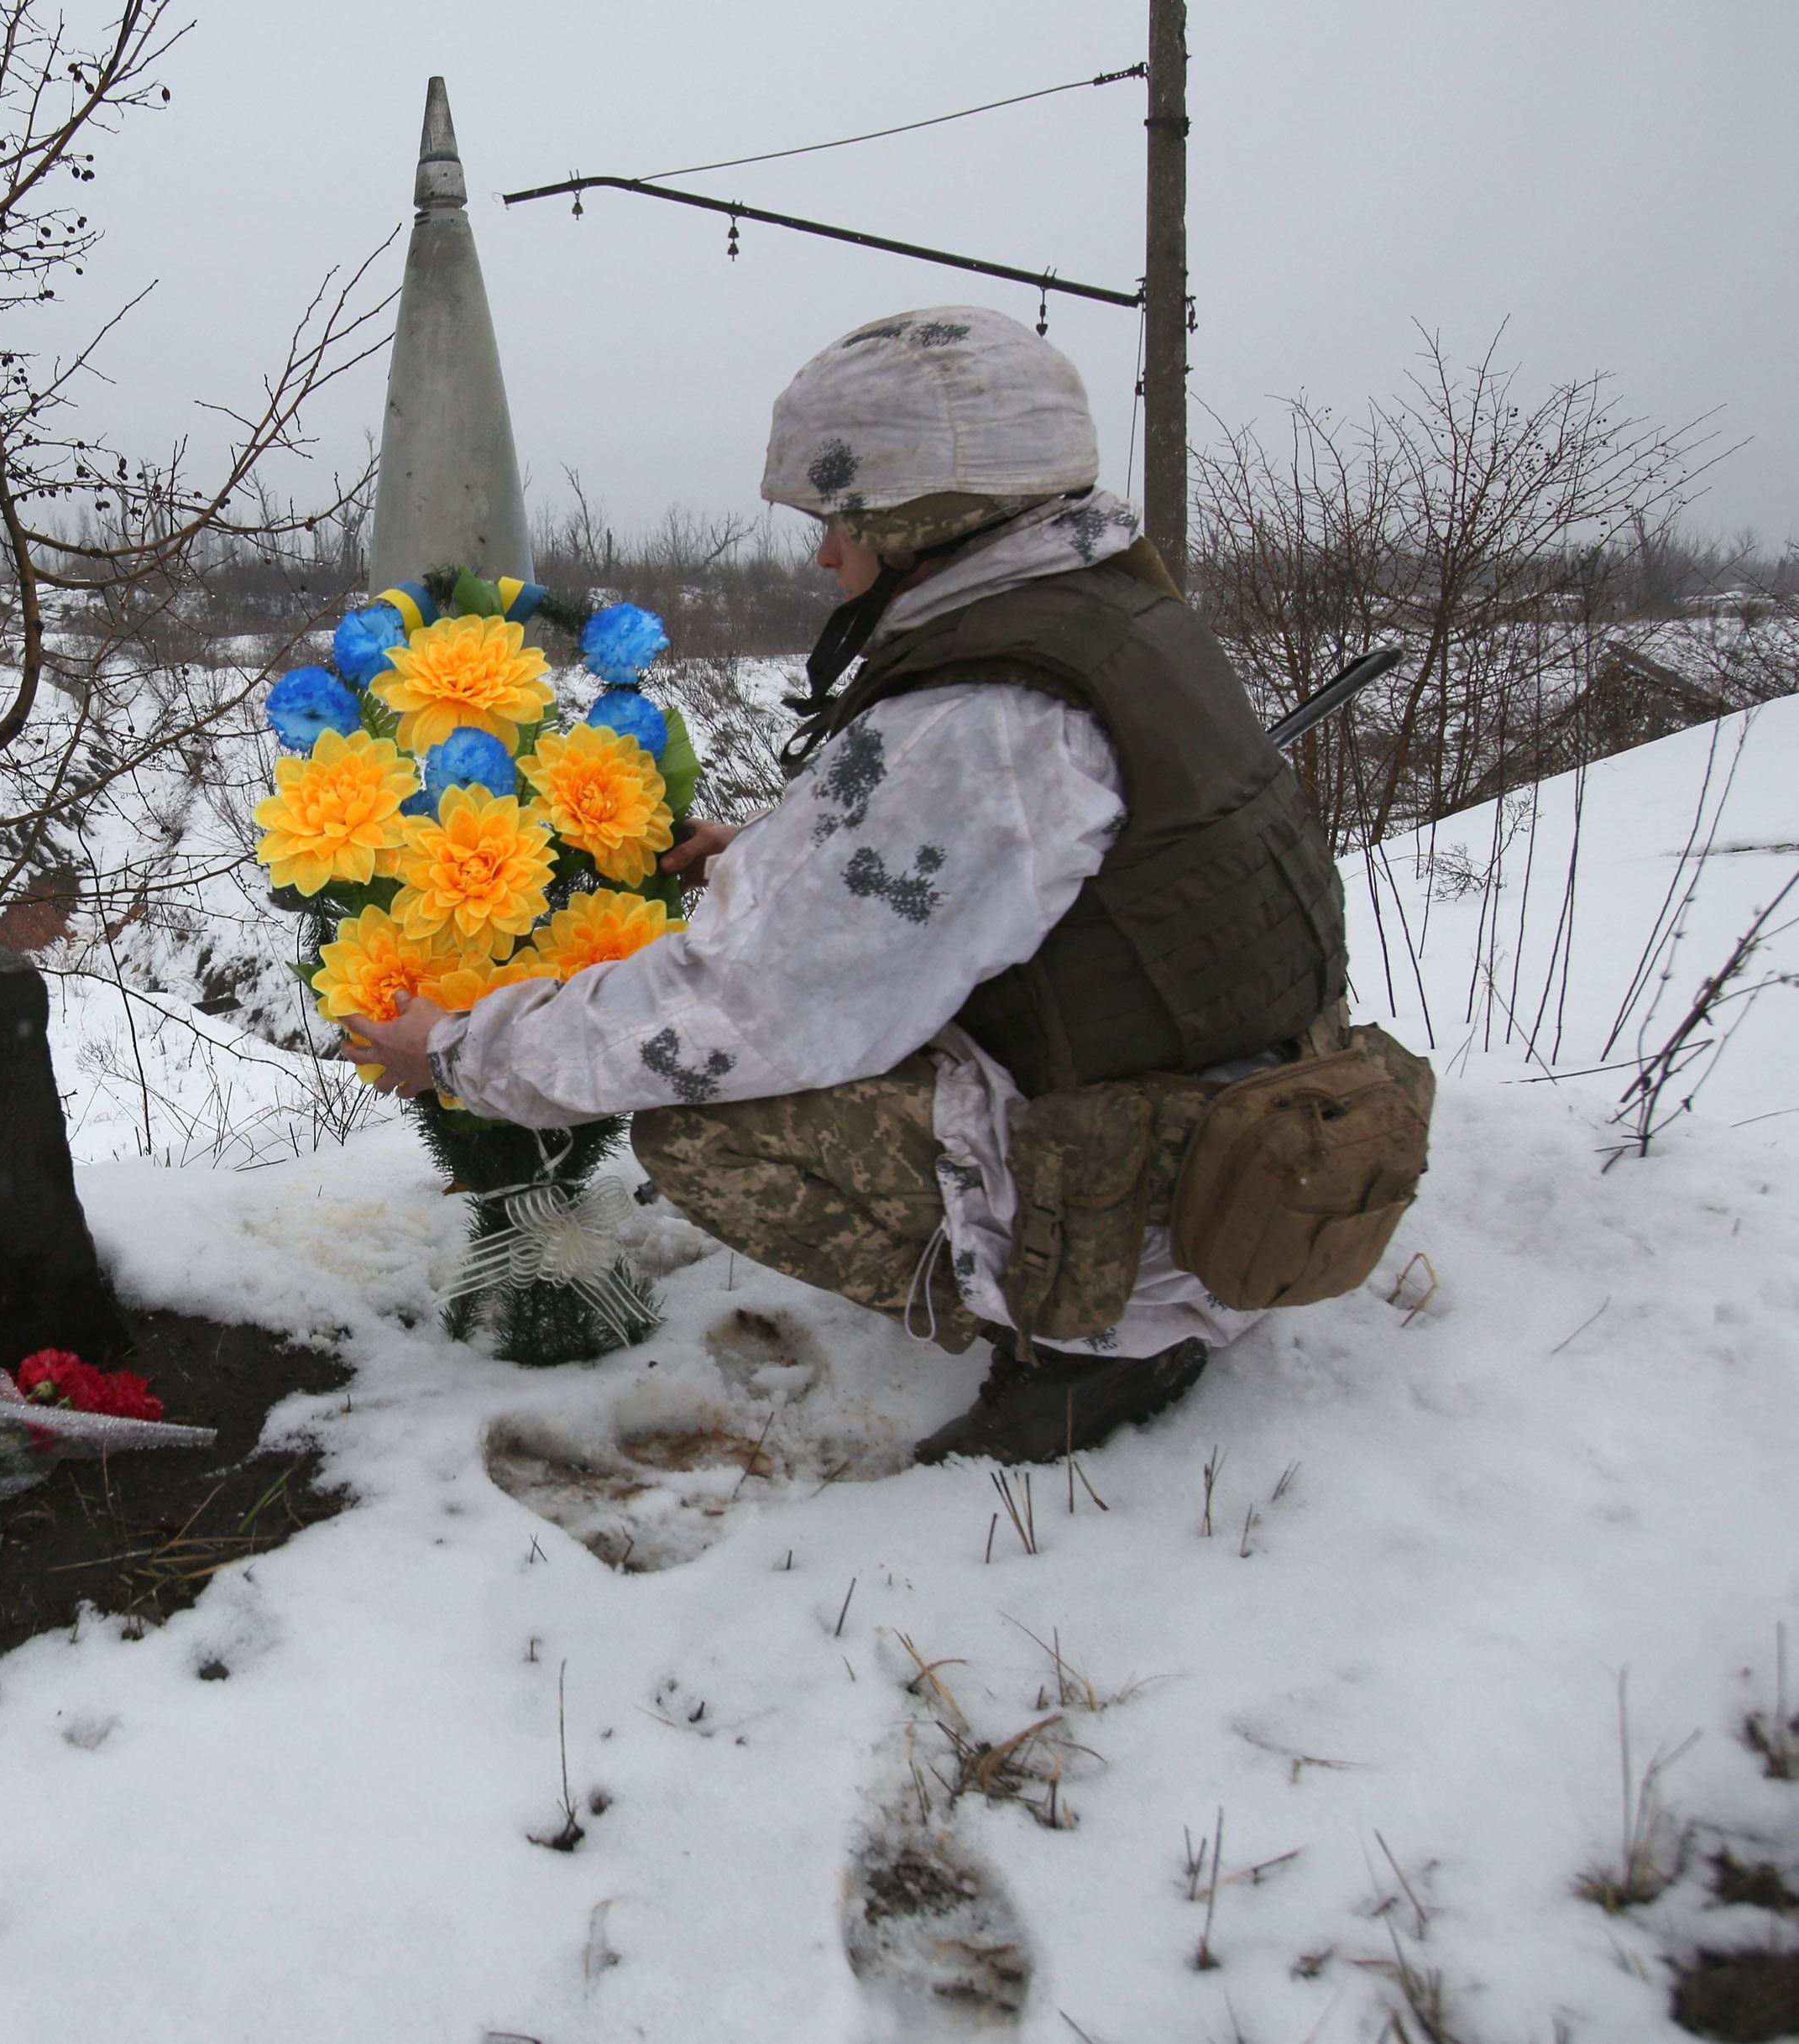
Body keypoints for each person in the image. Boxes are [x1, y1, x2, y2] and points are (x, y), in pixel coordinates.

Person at [340, 306, 1350, 1464]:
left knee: (707, 1123)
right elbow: (1009, 866)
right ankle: (1103, 1281)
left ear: (923, 521)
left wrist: (461, 1051)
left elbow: (747, 1013)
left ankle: (1092, 1341)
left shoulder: (986, 715)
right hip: (1253, 1111)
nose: (824, 555)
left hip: (1175, 1193)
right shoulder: (1111, 617)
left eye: (839, 521)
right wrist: (773, 858)